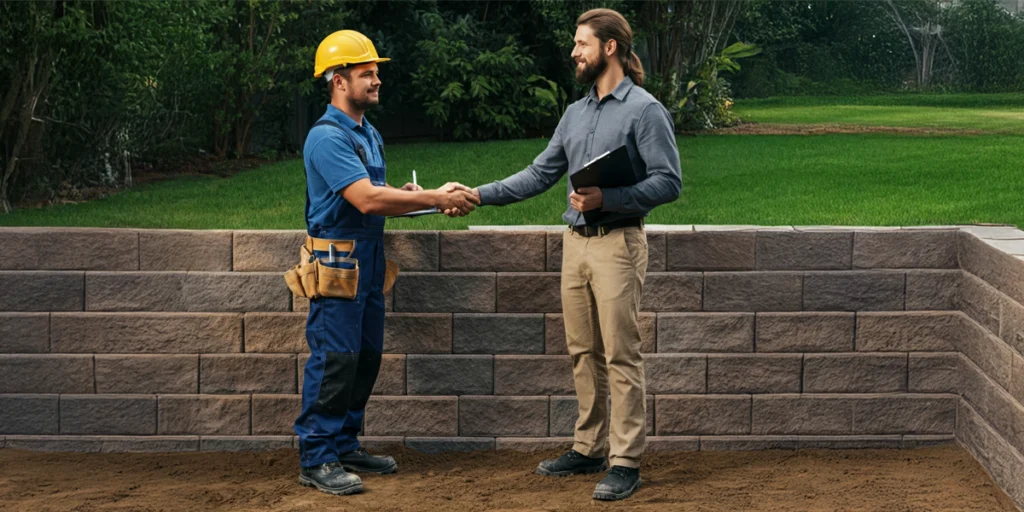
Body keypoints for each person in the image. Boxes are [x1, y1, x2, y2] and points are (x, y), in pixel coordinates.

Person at [465, 9, 681, 501]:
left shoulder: (645, 111)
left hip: (618, 244)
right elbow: (539, 175)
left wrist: (611, 199)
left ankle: (625, 460)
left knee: (621, 354)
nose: (573, 52)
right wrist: (477, 194)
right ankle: (588, 447)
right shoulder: (575, 113)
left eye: (581, 43)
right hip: (576, 245)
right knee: (583, 351)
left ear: (609, 48)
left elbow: (668, 182)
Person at [294, 29, 478, 497]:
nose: (377, 81)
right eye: (366, 73)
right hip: (336, 263)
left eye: (376, 72)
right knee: (336, 359)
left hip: (369, 263)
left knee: (367, 356)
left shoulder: (367, 133)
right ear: (338, 80)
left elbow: (382, 197)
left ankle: (344, 443)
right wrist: (434, 198)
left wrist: (422, 200)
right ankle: (317, 457)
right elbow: (367, 199)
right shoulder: (326, 139)